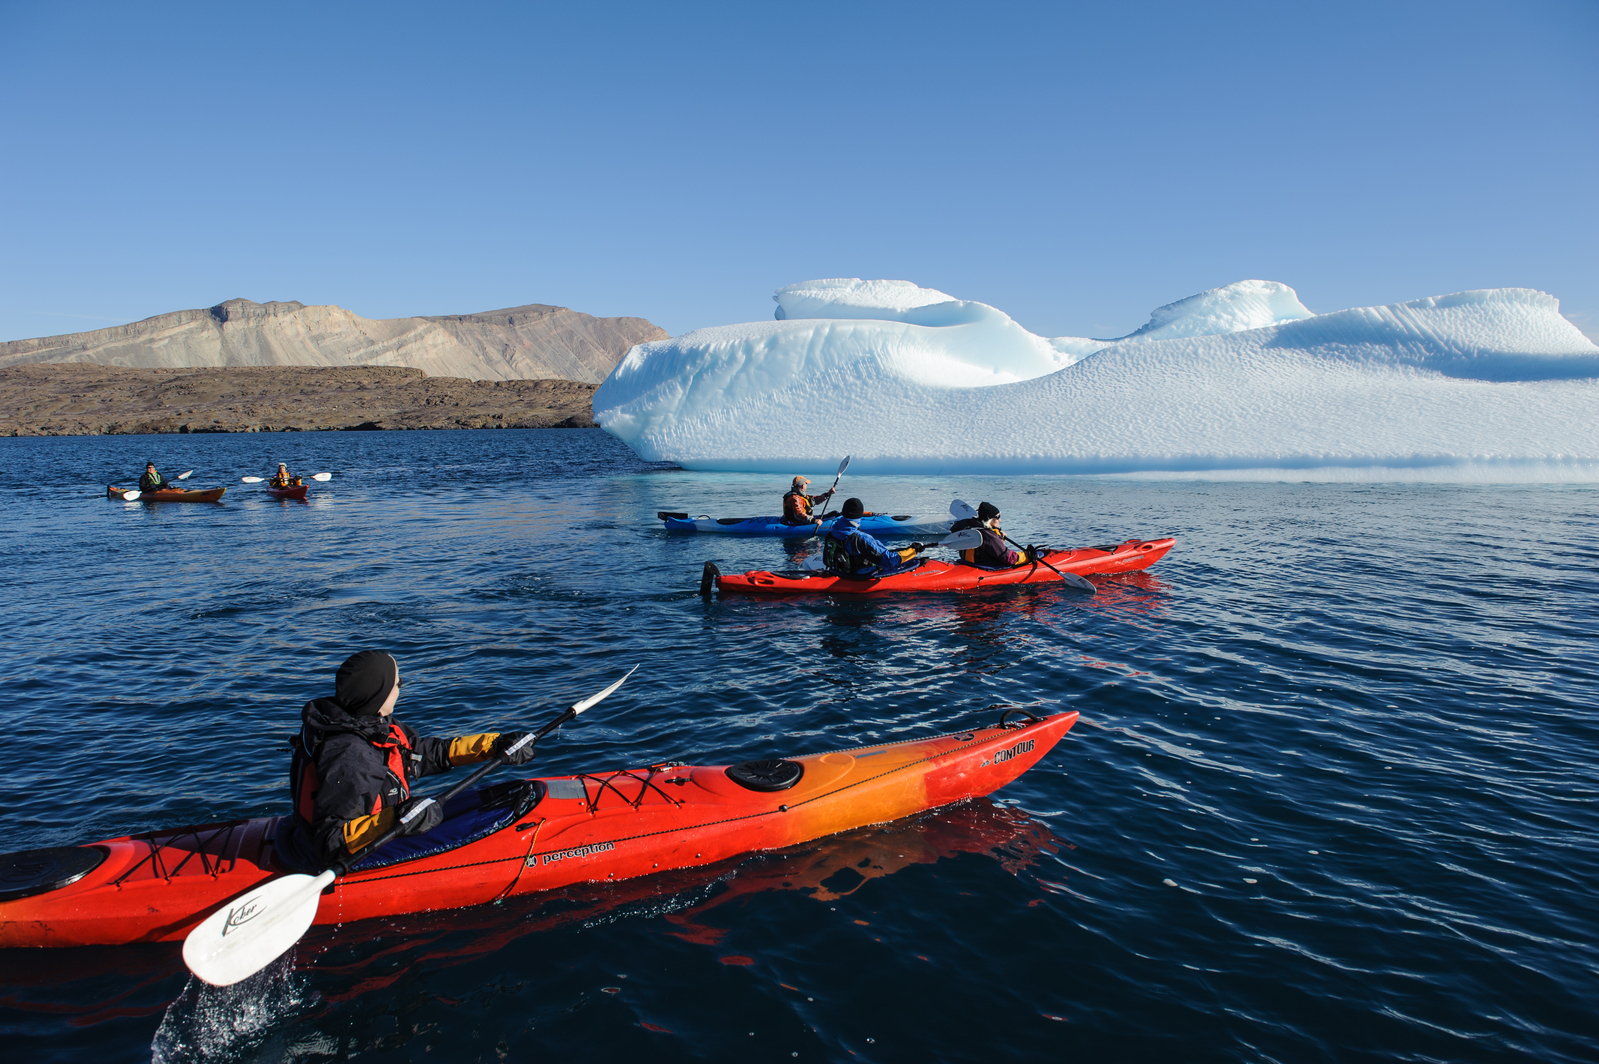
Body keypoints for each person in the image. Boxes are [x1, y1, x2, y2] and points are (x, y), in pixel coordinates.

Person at [275, 650, 536, 873]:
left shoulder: (370, 722)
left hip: (380, 826)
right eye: (397, 684)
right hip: (357, 854)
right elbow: (331, 840)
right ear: (378, 695)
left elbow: (425, 753)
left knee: (494, 798)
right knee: (484, 822)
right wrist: (396, 819)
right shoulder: (353, 756)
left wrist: (494, 746)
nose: (401, 686)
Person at [822, 497, 928, 577]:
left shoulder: (831, 533)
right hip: (859, 578)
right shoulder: (861, 538)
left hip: (838, 573)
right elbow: (890, 561)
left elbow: (826, 561)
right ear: (859, 515)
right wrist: (913, 550)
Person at [949, 502, 1042, 568]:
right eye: (997, 517)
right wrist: (1029, 555)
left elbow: (987, 544)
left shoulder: (969, 527)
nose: (1000, 520)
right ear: (989, 518)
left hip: (967, 563)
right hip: (983, 566)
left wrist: (999, 536)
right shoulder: (989, 536)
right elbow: (1009, 558)